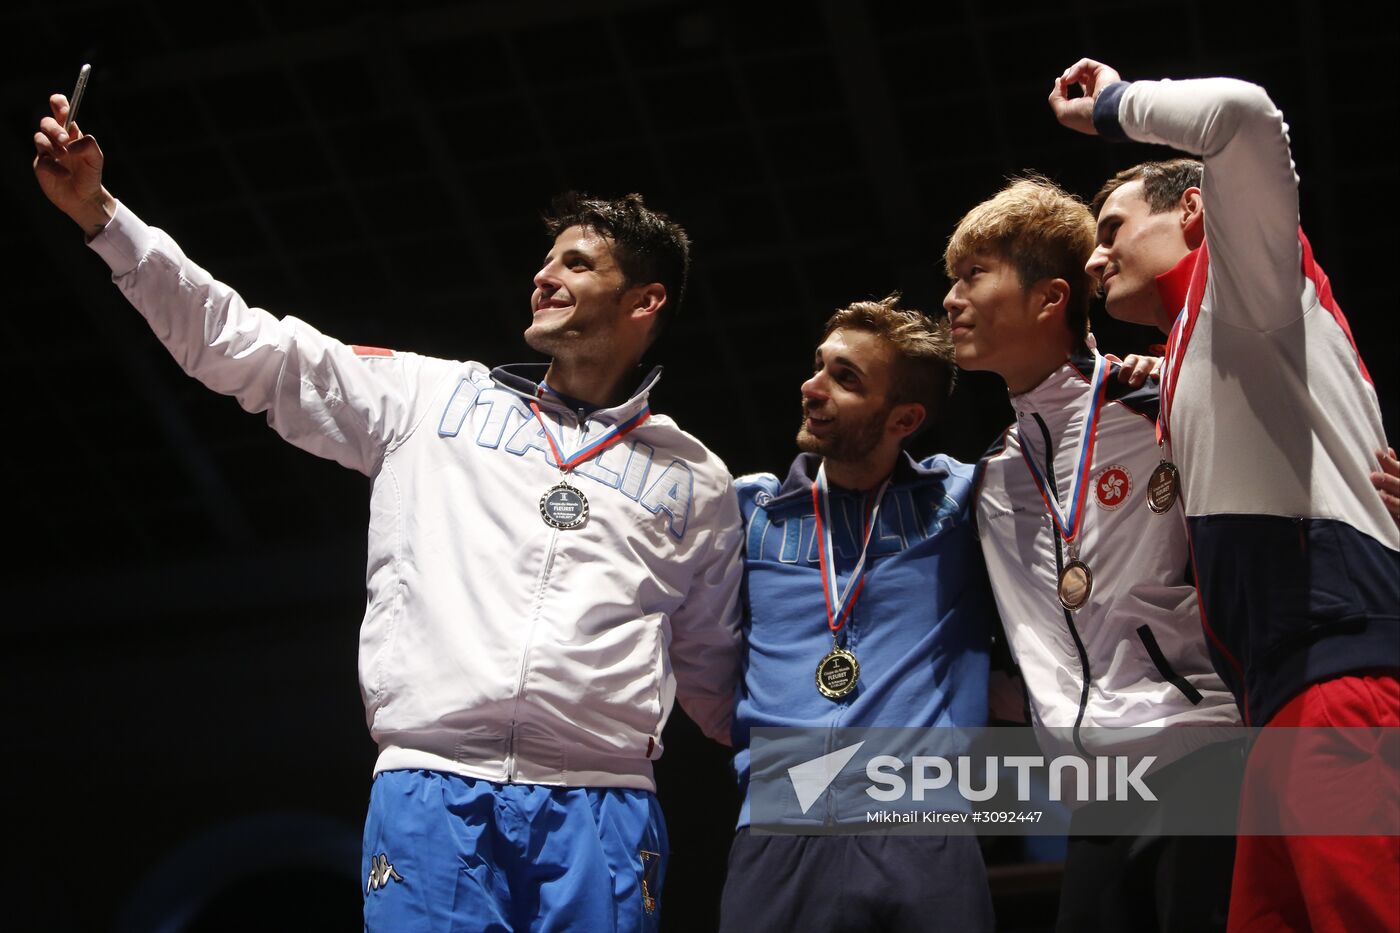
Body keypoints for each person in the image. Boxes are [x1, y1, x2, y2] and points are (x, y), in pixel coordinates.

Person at [33, 92, 743, 932]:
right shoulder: (425, 396)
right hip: (431, 785)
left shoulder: (695, 478)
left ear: (645, 302)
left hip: (606, 809)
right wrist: (102, 215)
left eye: (577, 264)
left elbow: (720, 675)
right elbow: (236, 342)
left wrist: (874, 776)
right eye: (547, 260)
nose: (543, 275)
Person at [1050, 60, 1400, 933]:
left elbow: (1242, 116)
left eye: (1113, 227)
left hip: (1341, 683)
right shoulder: (1203, 344)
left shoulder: (1243, 281)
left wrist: (1115, 107)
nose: (1095, 256)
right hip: (1282, 705)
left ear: (1196, 213)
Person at [943, 176, 1243, 932]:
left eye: (973, 274)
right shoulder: (995, 475)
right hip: (1095, 790)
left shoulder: (1164, 406)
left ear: (1049, 297)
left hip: (1201, 752)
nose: (950, 299)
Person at [718, 295, 997, 933]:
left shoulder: (962, 499)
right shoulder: (745, 510)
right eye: (819, 367)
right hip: (781, 815)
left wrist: (1135, 378)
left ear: (905, 418)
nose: (811, 388)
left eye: (846, 379)